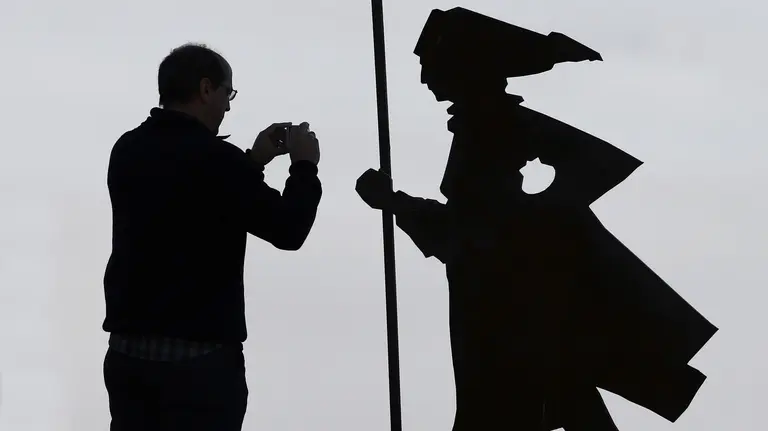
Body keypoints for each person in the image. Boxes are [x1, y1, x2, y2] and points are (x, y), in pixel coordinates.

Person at [356, 7, 717, 431]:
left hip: (505, 304)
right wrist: (397, 202)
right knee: (552, 394)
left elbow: (481, 222)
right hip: (492, 299)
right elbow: (469, 223)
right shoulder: (480, 126)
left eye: (427, 64)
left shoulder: (497, 125)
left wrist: (535, 223)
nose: (423, 78)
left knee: (524, 398)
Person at [101, 43, 322, 431]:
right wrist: (304, 167)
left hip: (128, 358)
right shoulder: (219, 162)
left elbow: (192, 200)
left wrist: (252, 161)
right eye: (227, 93)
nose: (228, 106)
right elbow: (289, 229)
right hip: (197, 370)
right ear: (206, 89)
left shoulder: (127, 149)